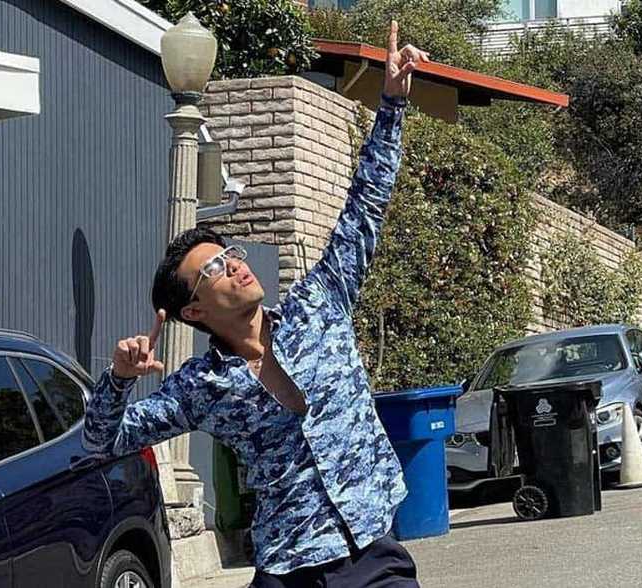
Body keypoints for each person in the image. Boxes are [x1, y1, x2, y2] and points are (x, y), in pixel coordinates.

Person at [82, 21, 430, 588]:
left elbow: (364, 206)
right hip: (288, 566)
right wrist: (119, 379)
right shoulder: (199, 386)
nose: (235, 265)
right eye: (214, 269)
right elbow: (103, 441)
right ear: (194, 311)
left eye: (231, 254)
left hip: (372, 552)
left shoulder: (320, 305)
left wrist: (390, 105)